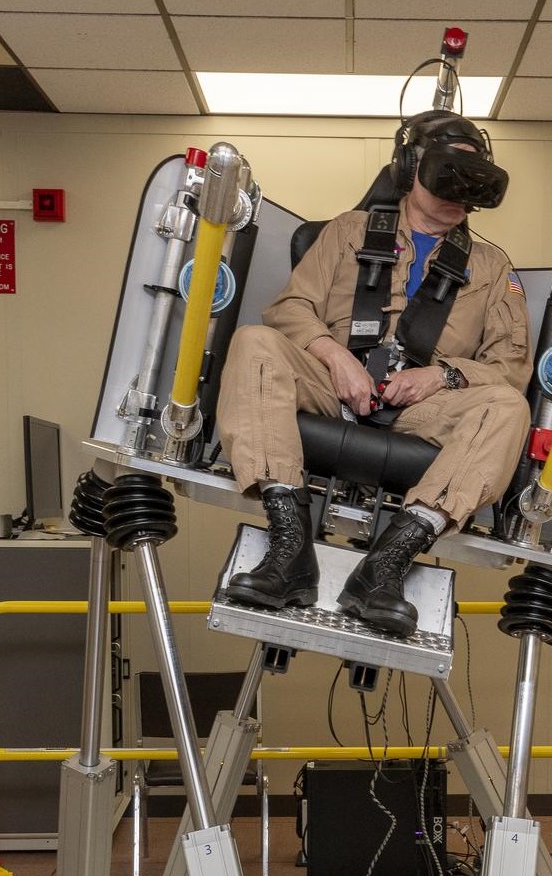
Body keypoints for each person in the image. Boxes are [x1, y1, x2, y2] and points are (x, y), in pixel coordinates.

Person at [215, 110, 531, 636]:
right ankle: (289, 547)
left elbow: (509, 368)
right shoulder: (347, 232)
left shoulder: (493, 268)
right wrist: (335, 358)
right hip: (328, 385)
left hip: (422, 408)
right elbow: (292, 307)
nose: (458, 191)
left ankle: (386, 565)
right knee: (255, 342)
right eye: (445, 173)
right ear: (410, 169)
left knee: (506, 406)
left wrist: (443, 376)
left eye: (471, 180)